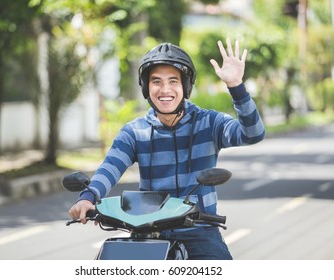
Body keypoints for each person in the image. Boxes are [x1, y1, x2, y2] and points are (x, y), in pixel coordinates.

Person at [69, 38, 265, 260]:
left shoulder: (209, 123)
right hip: (145, 232)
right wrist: (88, 197)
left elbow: (253, 133)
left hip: (198, 231)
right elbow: (110, 167)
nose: (165, 89)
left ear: (186, 86)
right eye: (156, 82)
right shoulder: (135, 131)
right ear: (146, 87)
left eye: (173, 81)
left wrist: (236, 86)